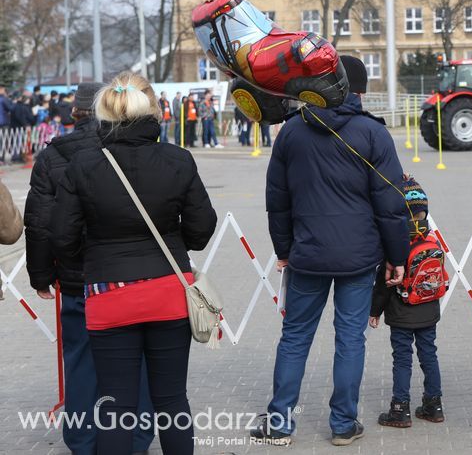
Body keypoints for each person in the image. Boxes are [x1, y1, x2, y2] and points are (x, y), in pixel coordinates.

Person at [50, 71, 217, 455]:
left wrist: (92, 258)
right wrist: (180, 243)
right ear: (153, 113)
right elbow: (202, 228)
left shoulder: (83, 166)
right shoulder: (178, 160)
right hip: (168, 292)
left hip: (109, 295)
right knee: (173, 401)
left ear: (103, 116)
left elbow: (61, 236)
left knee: (116, 407)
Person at [251, 56, 408, 447]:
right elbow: (391, 203)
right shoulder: (373, 134)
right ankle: (342, 424)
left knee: (294, 337)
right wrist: (397, 256)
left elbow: (277, 200)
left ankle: (280, 423)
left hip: (307, 254)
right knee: (350, 339)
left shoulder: (291, 132)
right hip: (358, 257)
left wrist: (283, 249)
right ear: (359, 90)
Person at [25, 82, 156, 455]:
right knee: (138, 358)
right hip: (128, 274)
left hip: (75, 275)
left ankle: (82, 440)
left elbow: (39, 221)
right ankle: (136, 437)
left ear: (75, 113)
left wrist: (40, 275)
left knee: (80, 360)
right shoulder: (127, 149)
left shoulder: (52, 156)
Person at [369, 176, 445, 428]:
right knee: (429, 355)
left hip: (401, 313)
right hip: (429, 310)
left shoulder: (395, 246)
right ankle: (434, 406)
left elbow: (382, 284)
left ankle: (400, 409)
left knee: (402, 359)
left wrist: (374, 312)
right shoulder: (432, 241)